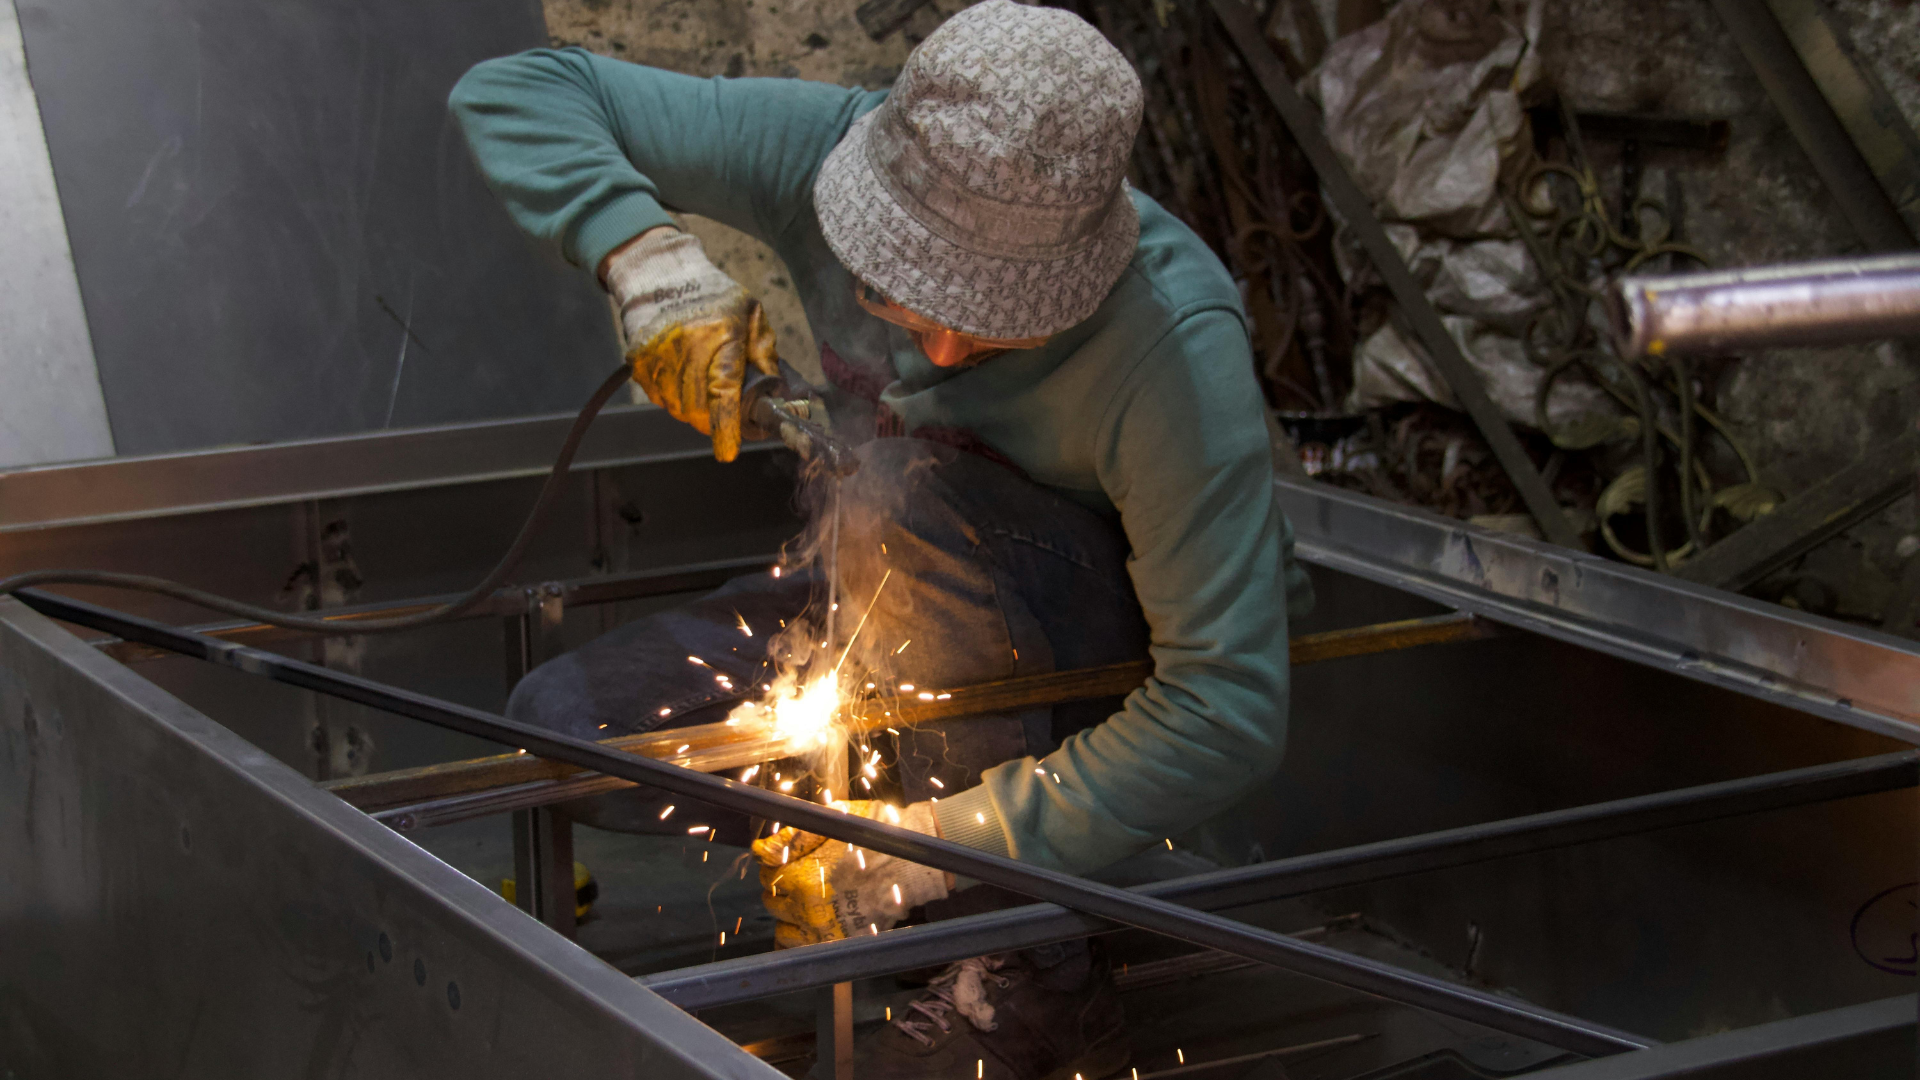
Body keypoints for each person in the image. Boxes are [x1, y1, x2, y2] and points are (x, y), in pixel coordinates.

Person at [450, 4, 1313, 1077]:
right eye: (900, 295)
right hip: (896, 594)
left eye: (999, 320)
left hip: (1098, 662)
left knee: (902, 491)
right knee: (570, 727)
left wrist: (925, 857)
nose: (942, 348)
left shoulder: (1175, 346)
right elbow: (516, 90)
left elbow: (1226, 712)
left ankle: (1024, 983)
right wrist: (644, 258)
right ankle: (885, 871)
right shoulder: (820, 149)